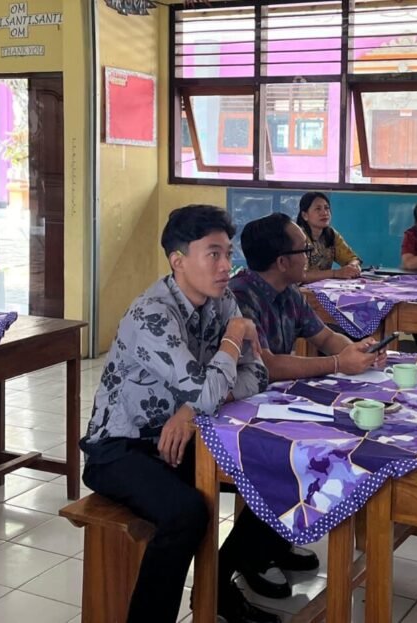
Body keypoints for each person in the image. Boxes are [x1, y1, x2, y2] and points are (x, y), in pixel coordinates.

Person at [80, 205, 280, 623]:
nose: (226, 266)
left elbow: (258, 374)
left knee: (274, 478)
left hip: (183, 435)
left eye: (228, 253)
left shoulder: (222, 299)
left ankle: (217, 589)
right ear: (178, 261)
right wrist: (234, 336)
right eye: (213, 254)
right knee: (186, 513)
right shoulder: (151, 314)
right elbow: (215, 384)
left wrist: (192, 409)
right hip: (119, 448)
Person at [230, 212, 384, 596]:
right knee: (289, 459)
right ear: (282, 261)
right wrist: (336, 365)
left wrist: (355, 351)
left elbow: (324, 337)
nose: (311, 256)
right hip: (236, 408)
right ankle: (246, 559)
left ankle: (275, 544)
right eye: (304, 250)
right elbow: (265, 365)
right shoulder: (239, 298)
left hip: (273, 402)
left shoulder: (291, 294)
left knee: (322, 444)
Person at [296, 192, 362, 282]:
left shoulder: (331, 234)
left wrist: (352, 267)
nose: (324, 212)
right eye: (318, 209)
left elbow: (352, 258)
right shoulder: (298, 237)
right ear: (305, 215)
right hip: (299, 291)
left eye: (327, 208)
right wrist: (335, 273)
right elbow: (301, 275)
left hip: (323, 288)